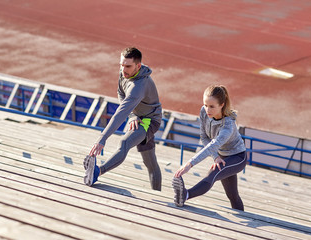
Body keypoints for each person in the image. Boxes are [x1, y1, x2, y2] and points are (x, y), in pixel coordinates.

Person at [84, 47, 162, 190]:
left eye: (127, 66)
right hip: (138, 116)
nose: (123, 69)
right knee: (150, 162)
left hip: (149, 120)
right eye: (121, 64)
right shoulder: (125, 73)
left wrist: (102, 138)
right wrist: (133, 115)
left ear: (138, 66)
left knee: (125, 142)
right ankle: (158, 193)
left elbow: (121, 113)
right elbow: (121, 92)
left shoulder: (138, 86)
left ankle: (97, 172)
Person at [172, 85, 247, 210]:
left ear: (222, 105)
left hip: (237, 157)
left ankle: (185, 195)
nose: (207, 110)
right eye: (205, 105)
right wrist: (216, 157)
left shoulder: (227, 126)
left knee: (213, 173)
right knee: (233, 196)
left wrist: (189, 164)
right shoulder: (204, 111)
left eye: (212, 106)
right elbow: (204, 137)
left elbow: (213, 145)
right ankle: (241, 218)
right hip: (222, 156)